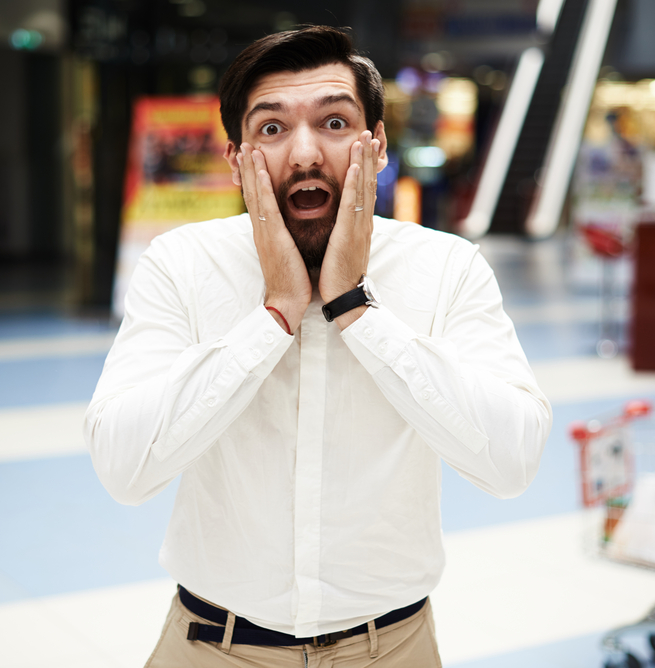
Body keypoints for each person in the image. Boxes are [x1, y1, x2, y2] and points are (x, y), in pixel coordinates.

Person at [85, 26, 552, 667]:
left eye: (334, 123)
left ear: (377, 145)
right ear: (236, 159)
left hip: (393, 648)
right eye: (272, 129)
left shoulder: (447, 268)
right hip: (214, 646)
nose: (305, 154)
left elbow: (512, 462)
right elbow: (123, 469)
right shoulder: (182, 265)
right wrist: (273, 315)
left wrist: (357, 308)